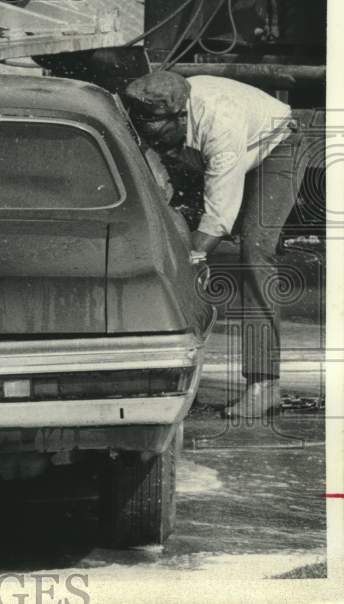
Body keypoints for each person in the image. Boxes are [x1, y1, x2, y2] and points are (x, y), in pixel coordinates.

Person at [122, 70, 302, 419]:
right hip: (199, 148)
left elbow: (220, 216)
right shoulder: (148, 118)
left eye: (160, 137)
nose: (154, 143)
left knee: (254, 250)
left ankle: (264, 385)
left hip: (275, 145)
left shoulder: (222, 125)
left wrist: (188, 259)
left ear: (181, 116)